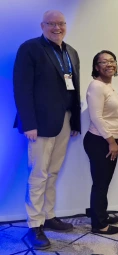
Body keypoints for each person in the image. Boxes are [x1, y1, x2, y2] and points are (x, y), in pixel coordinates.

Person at [13, 10, 81, 249]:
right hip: (39, 124)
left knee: (53, 171)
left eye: (60, 23)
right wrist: (28, 123)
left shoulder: (71, 52)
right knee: (38, 174)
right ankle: (35, 224)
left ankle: (49, 216)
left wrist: (75, 122)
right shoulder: (30, 48)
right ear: (42, 25)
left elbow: (74, 88)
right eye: (51, 24)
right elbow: (22, 88)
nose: (57, 28)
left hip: (64, 120)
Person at [83, 50, 118, 235]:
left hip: (107, 140)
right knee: (100, 184)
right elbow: (96, 117)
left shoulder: (108, 86)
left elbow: (112, 116)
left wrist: (116, 139)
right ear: (96, 66)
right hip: (99, 141)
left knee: (103, 183)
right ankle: (99, 225)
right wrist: (111, 142)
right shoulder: (97, 86)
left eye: (112, 61)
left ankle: (101, 214)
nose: (109, 64)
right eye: (104, 61)